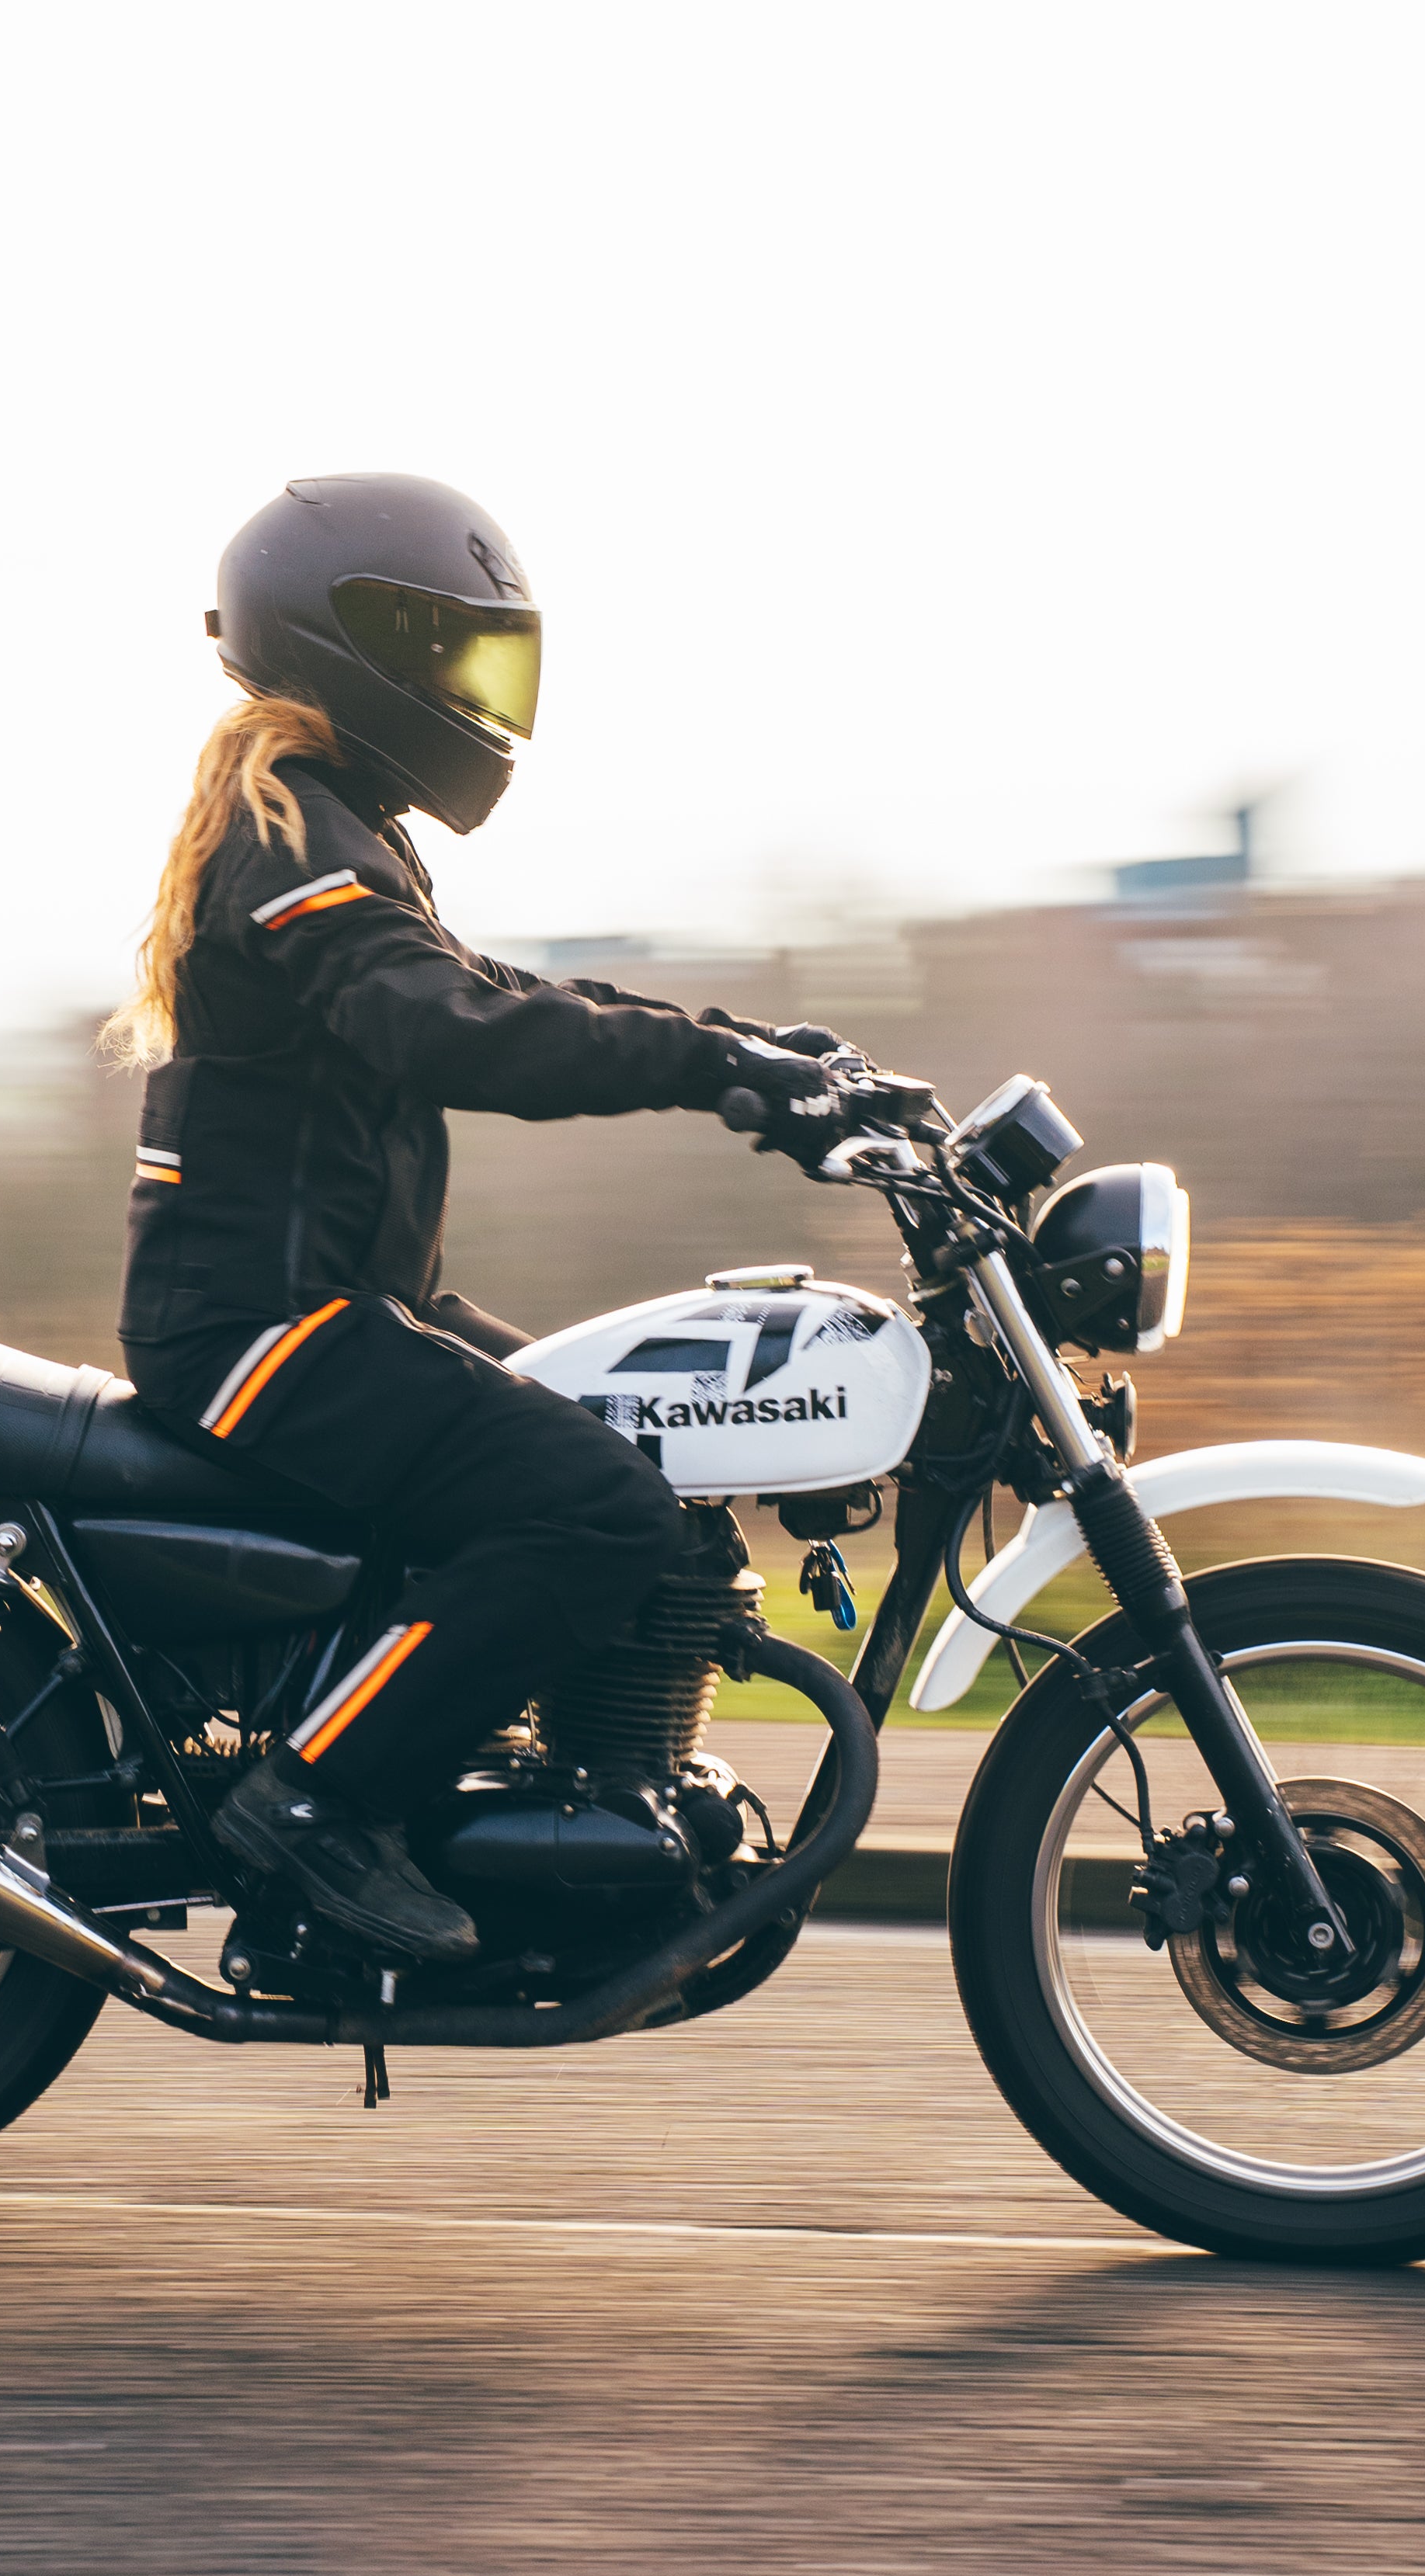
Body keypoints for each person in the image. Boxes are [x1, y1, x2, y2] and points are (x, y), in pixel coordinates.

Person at [106, 473, 846, 1966]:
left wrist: (750, 1047)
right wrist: (710, 1069)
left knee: (643, 1446)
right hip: (263, 1323)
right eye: (454, 655)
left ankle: (537, 1774)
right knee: (596, 1506)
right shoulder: (288, 836)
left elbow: (489, 989)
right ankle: (311, 1801)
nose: (476, 695)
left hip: (338, 1299)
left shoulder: (335, 827)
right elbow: (449, 1030)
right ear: (354, 647)